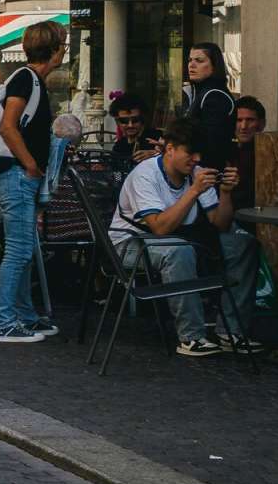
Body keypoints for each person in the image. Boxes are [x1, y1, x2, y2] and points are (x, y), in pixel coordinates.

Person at [109, 133, 262, 357]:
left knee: (242, 244)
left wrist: (226, 193)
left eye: (199, 154)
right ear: (170, 149)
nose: (196, 159)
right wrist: (193, 191)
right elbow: (160, 228)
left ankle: (231, 332)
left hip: (181, 239)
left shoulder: (196, 173)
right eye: (190, 153)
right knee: (179, 251)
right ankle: (191, 336)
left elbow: (220, 223)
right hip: (130, 243)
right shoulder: (145, 175)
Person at [0, 20, 65, 343]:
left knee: (25, 248)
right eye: (63, 43)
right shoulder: (25, 79)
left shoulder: (29, 80)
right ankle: (5, 323)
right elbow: (8, 126)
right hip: (16, 176)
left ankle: (25, 316)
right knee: (18, 250)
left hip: (18, 176)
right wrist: (31, 164)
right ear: (55, 49)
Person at [180, 43, 237, 168]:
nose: (191, 65)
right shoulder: (200, 92)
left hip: (207, 173)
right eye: (190, 60)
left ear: (214, 66)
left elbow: (212, 143)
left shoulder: (214, 95)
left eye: (199, 60)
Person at [230, 94, 267, 197]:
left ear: (262, 123)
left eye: (250, 120)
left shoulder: (269, 155)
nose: (243, 126)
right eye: (239, 120)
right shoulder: (226, 152)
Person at [109, 92, 159, 163]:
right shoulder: (120, 145)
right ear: (117, 122)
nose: (130, 125)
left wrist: (157, 155)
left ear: (143, 119)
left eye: (135, 120)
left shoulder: (156, 138)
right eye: (124, 121)